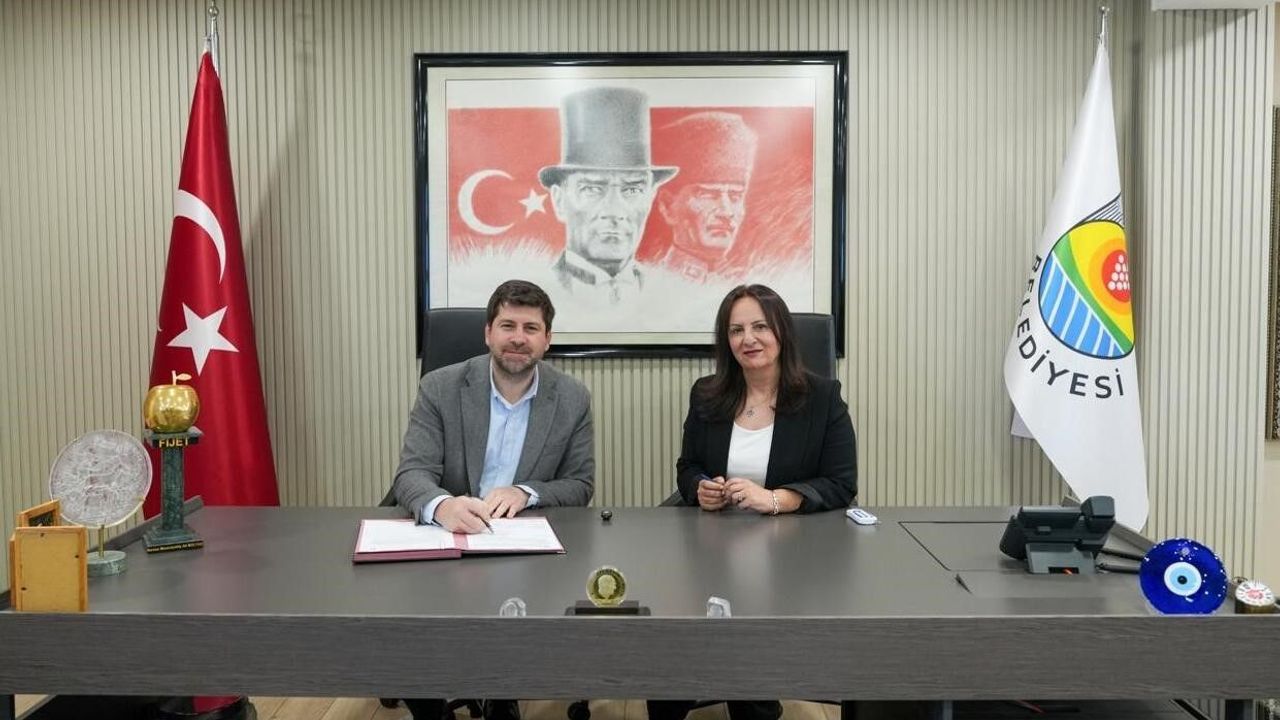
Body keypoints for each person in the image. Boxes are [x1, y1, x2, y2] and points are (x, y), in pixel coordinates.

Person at [647, 284, 856, 720]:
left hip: (789, 549)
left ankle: (752, 698)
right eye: (736, 330)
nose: (749, 339)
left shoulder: (822, 397)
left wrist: (775, 499)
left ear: (782, 333)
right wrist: (700, 487)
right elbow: (688, 466)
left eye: (760, 327)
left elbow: (841, 483)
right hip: (712, 544)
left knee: (751, 653)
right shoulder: (707, 393)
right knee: (670, 638)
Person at [392, 279, 595, 720]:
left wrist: (526, 492)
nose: (518, 338)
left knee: (519, 613)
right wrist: (443, 506)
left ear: (547, 339)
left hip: (519, 545)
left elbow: (579, 485)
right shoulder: (440, 387)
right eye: (507, 326)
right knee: (408, 630)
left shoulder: (571, 398)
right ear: (487, 333)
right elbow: (411, 474)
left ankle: (502, 693)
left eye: (531, 328)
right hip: (446, 538)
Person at [538, 86, 678, 303]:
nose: (614, 211)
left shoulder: (672, 297)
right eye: (592, 189)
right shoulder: (538, 292)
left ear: (650, 198)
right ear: (559, 200)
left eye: (632, 190)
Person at [651, 112, 758, 283]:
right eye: (708, 195)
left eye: (735, 196)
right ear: (667, 206)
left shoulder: (750, 282)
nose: (726, 212)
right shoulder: (650, 285)